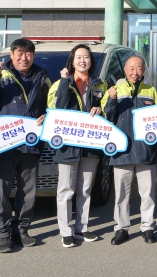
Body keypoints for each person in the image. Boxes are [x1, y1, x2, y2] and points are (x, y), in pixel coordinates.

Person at [0, 38, 52, 253]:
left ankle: (21, 229)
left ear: (33, 55)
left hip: (31, 143)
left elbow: (52, 104)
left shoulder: (43, 77)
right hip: (4, 144)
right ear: (12, 55)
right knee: (0, 191)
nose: (24, 58)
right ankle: (2, 233)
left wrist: (48, 116)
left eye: (28, 53)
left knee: (28, 191)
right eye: (20, 53)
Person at [47, 44, 110, 248]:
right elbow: (56, 108)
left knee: (85, 189)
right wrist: (65, 82)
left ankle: (82, 227)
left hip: (91, 143)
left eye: (86, 57)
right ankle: (66, 231)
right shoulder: (59, 83)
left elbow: (107, 110)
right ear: (72, 61)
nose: (83, 60)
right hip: (68, 144)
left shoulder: (100, 84)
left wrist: (100, 111)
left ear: (91, 61)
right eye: (79, 57)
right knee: (66, 189)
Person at [105, 55, 157, 245]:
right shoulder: (115, 89)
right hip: (122, 150)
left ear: (144, 70)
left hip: (146, 150)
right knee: (121, 194)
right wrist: (112, 99)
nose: (134, 72)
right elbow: (107, 117)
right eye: (131, 68)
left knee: (148, 193)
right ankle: (121, 228)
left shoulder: (150, 90)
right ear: (125, 70)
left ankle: (147, 227)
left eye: (138, 68)